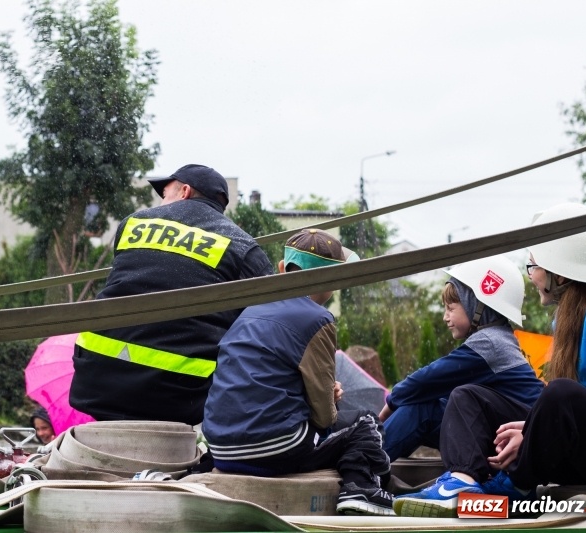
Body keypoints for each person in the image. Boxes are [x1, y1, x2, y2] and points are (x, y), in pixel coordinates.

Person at [393, 202, 586, 518]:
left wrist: (531, 435)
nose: (531, 276)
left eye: (534, 267)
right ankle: (463, 482)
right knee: (468, 396)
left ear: (559, 273)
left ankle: (515, 489)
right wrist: (533, 430)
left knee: (560, 394)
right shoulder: (574, 312)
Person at [203, 229, 395, 516]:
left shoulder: (251, 310)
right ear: (333, 279)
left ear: (282, 269)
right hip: (276, 449)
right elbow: (324, 416)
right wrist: (331, 399)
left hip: (221, 448)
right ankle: (360, 489)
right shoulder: (317, 318)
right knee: (365, 422)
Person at [70, 164, 274, 425]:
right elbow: (271, 317)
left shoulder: (133, 223)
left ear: (185, 191)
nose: (162, 203)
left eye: (164, 194)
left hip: (96, 379)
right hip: (180, 396)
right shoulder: (242, 245)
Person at [379, 255, 543, 462]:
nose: (445, 317)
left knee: (423, 409)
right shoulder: (499, 337)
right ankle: (371, 457)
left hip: (518, 438)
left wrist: (389, 407)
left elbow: (427, 379)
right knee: (429, 406)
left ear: (477, 305)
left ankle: (366, 462)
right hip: (501, 430)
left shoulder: (490, 342)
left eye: (451, 308)